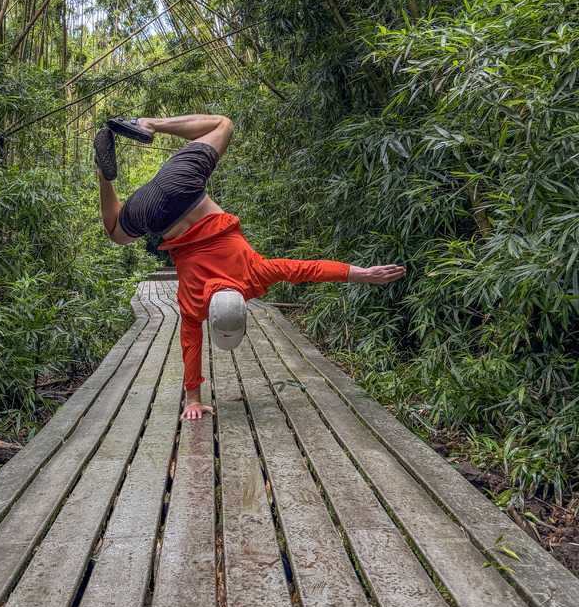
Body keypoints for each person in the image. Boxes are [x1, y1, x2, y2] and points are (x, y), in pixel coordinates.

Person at [94, 114, 406, 421]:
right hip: (154, 208)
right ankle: (103, 175)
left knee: (222, 125)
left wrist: (363, 273)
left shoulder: (254, 273)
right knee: (115, 232)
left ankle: (149, 124)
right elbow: (190, 343)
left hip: (182, 183)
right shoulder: (194, 301)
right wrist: (193, 400)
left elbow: (305, 269)